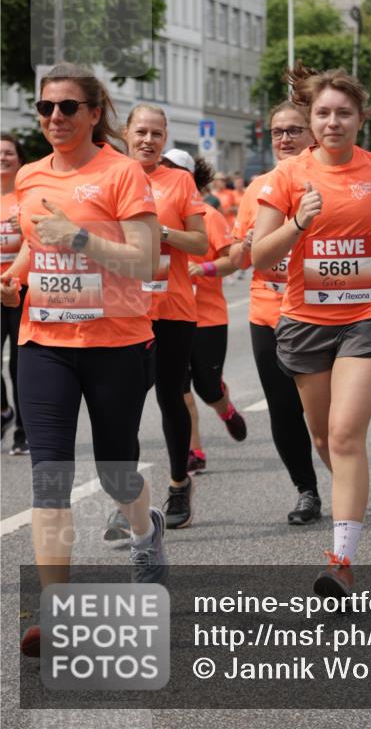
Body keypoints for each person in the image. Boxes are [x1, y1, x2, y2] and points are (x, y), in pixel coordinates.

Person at [0, 63, 168, 657]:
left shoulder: (122, 173)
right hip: (43, 343)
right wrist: (15, 277)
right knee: (50, 479)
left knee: (119, 469)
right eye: (45, 108)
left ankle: (147, 535)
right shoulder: (29, 176)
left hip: (116, 344)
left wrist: (79, 238)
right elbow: (34, 246)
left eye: (68, 107)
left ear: (94, 113)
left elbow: (145, 261)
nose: (54, 118)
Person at [252, 65, 371, 596]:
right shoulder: (285, 177)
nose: (333, 122)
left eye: (343, 113)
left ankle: (341, 561)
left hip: (366, 317)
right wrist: (298, 222)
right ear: (311, 117)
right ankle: (353, 494)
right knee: (324, 436)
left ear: (360, 117)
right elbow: (260, 257)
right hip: (305, 323)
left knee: (347, 435)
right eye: (323, 113)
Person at [231, 101, 322, 525]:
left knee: (326, 417)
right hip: (270, 314)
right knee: (284, 409)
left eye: (294, 130)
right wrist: (247, 244)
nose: (285, 139)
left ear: (313, 134)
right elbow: (235, 256)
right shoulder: (257, 189)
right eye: (277, 132)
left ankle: (348, 478)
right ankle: (307, 490)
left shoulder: (331, 180)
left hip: (325, 316)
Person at [121, 106, 207, 527]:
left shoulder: (179, 181)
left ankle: (178, 485)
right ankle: (130, 500)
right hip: (123, 309)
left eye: (157, 133)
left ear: (165, 137)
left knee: (170, 397)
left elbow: (201, 244)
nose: (148, 140)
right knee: (123, 405)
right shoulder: (112, 176)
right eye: (141, 132)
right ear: (126, 133)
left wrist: (162, 232)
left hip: (172, 307)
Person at [159, 151, 246, 477]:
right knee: (179, 390)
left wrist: (203, 268)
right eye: (163, 168)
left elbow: (231, 261)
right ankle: (194, 451)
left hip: (208, 317)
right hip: (171, 314)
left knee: (208, 389)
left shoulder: (209, 215)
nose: (165, 174)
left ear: (189, 177)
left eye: (173, 170)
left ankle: (225, 411)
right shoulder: (154, 214)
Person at [1, 134, 28, 454]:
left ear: (19, 160)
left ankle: (24, 427)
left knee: (20, 365)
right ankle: (3, 410)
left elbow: (41, 240)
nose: (3, 157)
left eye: (9, 153)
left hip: (22, 290)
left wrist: (23, 227)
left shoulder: (26, 196)